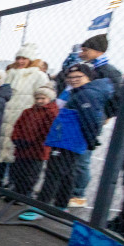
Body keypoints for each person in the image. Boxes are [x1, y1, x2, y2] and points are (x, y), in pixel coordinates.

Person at [38, 63, 112, 209]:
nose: (73, 79)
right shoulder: (79, 92)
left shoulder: (86, 94)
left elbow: (91, 120)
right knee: (67, 174)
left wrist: (90, 140)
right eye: (70, 77)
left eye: (78, 76)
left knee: (53, 173)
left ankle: (41, 206)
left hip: (67, 140)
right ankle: (61, 205)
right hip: (67, 140)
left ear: (89, 77)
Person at [66, 34, 124, 208]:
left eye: (85, 50)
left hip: (91, 118)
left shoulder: (109, 72)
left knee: (82, 157)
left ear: (98, 51)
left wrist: (106, 116)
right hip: (75, 116)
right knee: (70, 156)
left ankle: (79, 194)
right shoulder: (85, 67)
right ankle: (69, 189)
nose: (82, 53)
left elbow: (116, 98)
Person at [0, 43, 49, 187]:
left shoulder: (39, 76)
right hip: (5, 117)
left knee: (15, 151)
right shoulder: (9, 74)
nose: (20, 61)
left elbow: (43, 97)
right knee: (0, 149)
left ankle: (12, 181)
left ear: (31, 60)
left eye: (24, 58)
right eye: (18, 58)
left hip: (23, 119)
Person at [10, 86, 58, 196]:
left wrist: (32, 141)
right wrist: (16, 138)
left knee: (30, 173)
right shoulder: (28, 111)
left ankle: (25, 194)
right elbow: (18, 126)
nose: (39, 101)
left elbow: (47, 131)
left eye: (42, 98)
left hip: (38, 149)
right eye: (37, 98)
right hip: (22, 146)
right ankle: (16, 192)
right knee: (17, 170)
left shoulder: (52, 113)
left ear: (49, 98)